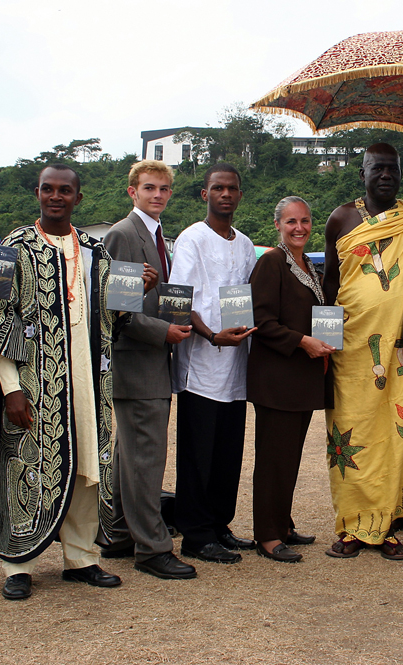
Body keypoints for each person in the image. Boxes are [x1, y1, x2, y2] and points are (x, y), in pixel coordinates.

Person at [0, 165, 157, 600]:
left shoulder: (97, 251)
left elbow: (117, 318)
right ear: (37, 192)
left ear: (78, 198)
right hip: (33, 384)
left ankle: (81, 559)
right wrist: (10, 389)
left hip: (90, 382)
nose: (55, 197)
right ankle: (17, 565)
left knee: (86, 468)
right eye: (48, 189)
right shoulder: (6, 248)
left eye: (65, 191)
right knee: (25, 467)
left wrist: (139, 288)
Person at [322, 143, 403, 560]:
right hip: (353, 351)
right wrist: (324, 343)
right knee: (353, 433)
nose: (386, 175)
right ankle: (352, 525)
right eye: (377, 168)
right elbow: (329, 285)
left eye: (392, 169)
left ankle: (387, 525)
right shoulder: (341, 218)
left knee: (397, 434)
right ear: (362, 174)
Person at [101, 160, 196, 580]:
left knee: (131, 456)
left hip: (150, 361)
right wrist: (165, 332)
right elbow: (119, 310)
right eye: (149, 188)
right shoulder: (124, 234)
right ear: (132, 192)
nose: (157, 195)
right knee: (145, 459)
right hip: (138, 362)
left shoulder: (157, 236)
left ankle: (120, 533)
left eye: (163, 189)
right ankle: (152, 548)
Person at [169, 163, 257, 564]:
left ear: (240, 195)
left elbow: (245, 296)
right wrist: (210, 335)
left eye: (232, 188)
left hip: (235, 366)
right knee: (197, 454)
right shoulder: (192, 238)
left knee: (227, 453)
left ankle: (220, 525)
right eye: (218, 188)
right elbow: (180, 298)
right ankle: (195, 534)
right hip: (201, 366)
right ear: (205, 194)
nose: (225, 194)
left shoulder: (245, 243)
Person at [248, 196, 334, 562]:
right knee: (273, 459)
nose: (299, 228)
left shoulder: (308, 265)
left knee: (289, 457)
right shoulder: (271, 262)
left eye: (305, 221)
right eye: (291, 222)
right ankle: (267, 536)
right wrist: (302, 341)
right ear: (278, 225)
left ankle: (282, 524)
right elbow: (260, 320)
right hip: (277, 378)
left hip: (301, 377)